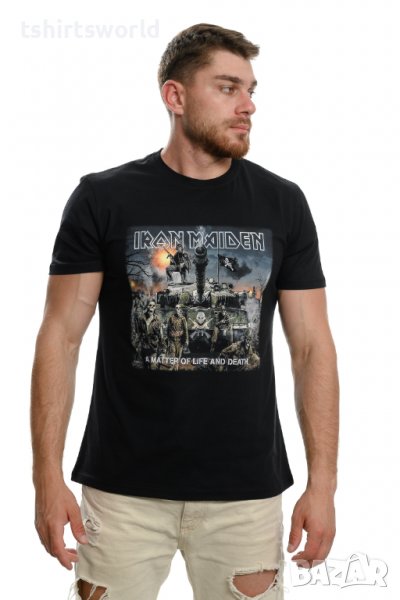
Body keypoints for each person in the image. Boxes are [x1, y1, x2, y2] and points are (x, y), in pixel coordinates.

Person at [31, 23, 339, 600]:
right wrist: (45, 478)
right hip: (121, 491)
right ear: (175, 96)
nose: (248, 106)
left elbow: (312, 348)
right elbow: (60, 337)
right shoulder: (103, 198)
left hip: (245, 492)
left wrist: (323, 484)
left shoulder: (282, 202)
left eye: (250, 90)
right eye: (227, 88)